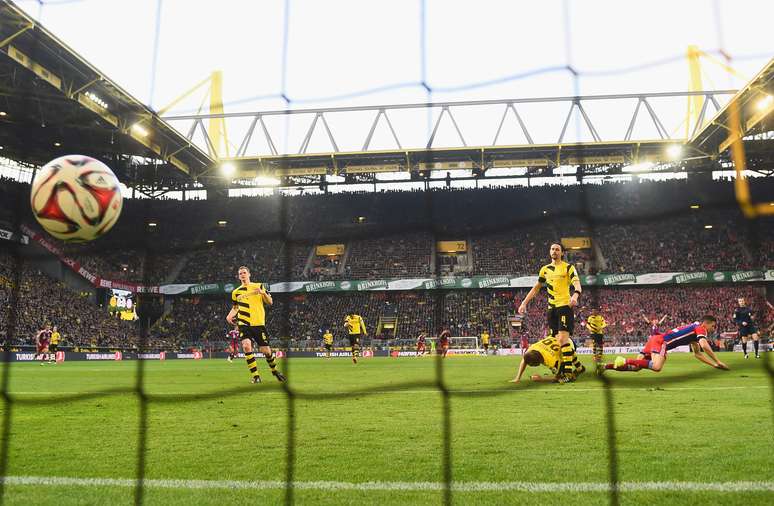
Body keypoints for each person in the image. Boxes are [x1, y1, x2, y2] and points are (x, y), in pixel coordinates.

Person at [518, 243, 582, 381]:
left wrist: (575, 295)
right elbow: (536, 288)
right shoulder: (544, 270)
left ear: (562, 253)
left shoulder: (568, 267)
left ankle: (568, 374)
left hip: (565, 306)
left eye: (557, 249)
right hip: (551, 310)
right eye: (552, 249)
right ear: (549, 252)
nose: (554, 251)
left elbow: (577, 283)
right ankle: (577, 367)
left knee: (563, 339)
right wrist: (524, 302)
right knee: (557, 340)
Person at [604, 315, 729, 373]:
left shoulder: (694, 331)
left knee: (637, 368)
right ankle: (626, 360)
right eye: (713, 326)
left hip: (654, 340)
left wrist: (713, 365)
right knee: (657, 367)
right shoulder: (701, 328)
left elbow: (698, 354)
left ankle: (605, 366)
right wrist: (718, 361)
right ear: (706, 323)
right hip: (661, 341)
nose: (713, 328)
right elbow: (705, 345)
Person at [225, 266, 286, 384]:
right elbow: (235, 308)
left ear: (249, 274)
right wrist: (229, 316)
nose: (242, 275)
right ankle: (256, 376)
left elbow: (270, 302)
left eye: (244, 273)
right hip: (244, 323)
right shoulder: (236, 292)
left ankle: (274, 370)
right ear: (238, 276)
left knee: (266, 351)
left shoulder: (259, 286)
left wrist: (263, 293)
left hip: (258, 323)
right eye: (240, 273)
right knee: (246, 346)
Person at [510, 335, 586, 383]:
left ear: (537, 363)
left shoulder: (553, 361)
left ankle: (578, 369)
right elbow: (524, 360)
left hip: (568, 345)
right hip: (560, 336)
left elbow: (557, 377)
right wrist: (518, 378)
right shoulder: (532, 348)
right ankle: (579, 368)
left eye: (531, 364)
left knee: (564, 376)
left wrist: (541, 379)